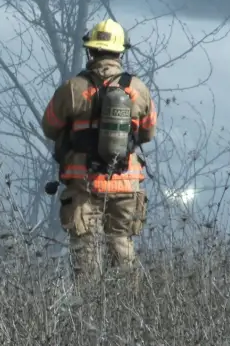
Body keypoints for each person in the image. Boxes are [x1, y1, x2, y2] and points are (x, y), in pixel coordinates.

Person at [41, 19, 157, 279]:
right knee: (123, 248)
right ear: (120, 53)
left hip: (85, 185)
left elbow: (49, 126)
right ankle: (129, 311)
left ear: (91, 51)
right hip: (126, 186)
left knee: (86, 255)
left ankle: (88, 313)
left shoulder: (73, 88)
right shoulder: (138, 89)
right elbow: (148, 132)